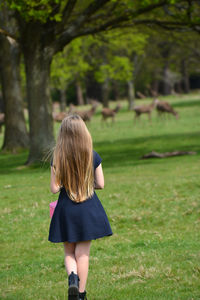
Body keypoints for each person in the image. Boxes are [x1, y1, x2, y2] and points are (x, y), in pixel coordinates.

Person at [48, 114, 113, 300]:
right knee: (82, 254)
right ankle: (81, 294)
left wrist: (66, 181)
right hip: (87, 209)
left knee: (69, 251)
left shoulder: (58, 157)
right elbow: (100, 184)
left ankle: (72, 279)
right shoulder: (92, 155)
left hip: (66, 210)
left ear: (62, 135)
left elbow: (54, 188)